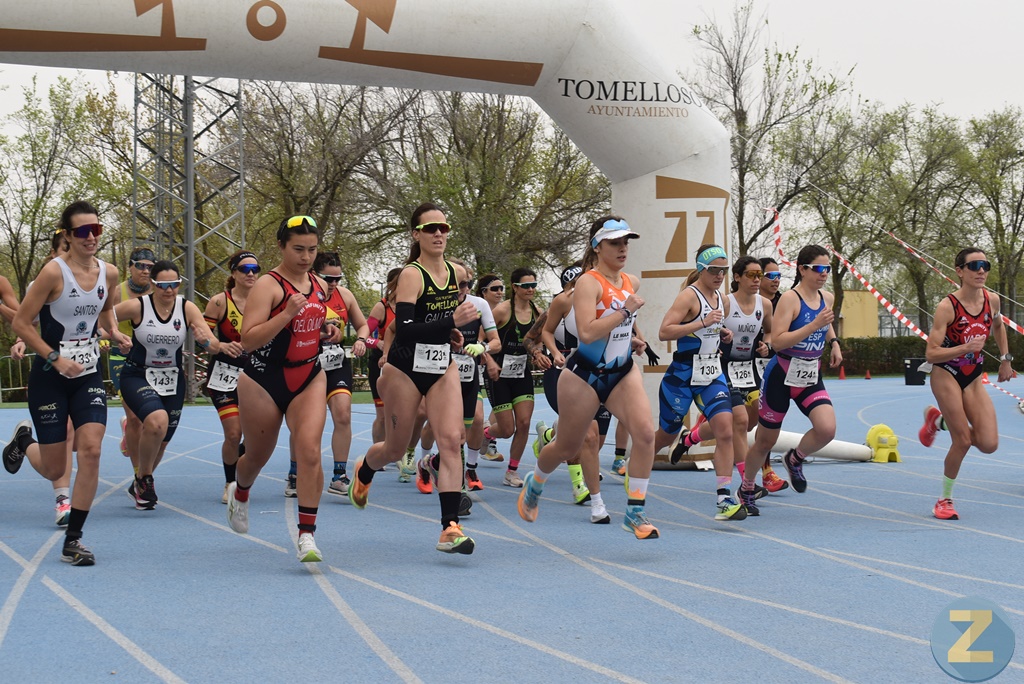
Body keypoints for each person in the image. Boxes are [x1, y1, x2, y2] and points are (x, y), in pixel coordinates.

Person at [348, 203, 480, 554]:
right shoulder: (411, 274)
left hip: (441, 366)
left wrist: (450, 335)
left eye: (443, 227)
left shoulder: (455, 272)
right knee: (395, 448)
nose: (439, 233)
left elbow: (437, 324)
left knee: (452, 441)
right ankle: (365, 468)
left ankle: (449, 527)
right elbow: (404, 330)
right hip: (405, 369)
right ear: (416, 234)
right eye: (431, 228)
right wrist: (450, 322)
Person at [5, 201, 130, 565]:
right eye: (82, 231)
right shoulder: (52, 273)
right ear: (68, 235)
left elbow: (105, 308)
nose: (91, 237)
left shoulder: (109, 272)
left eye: (96, 230)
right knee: (55, 468)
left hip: (88, 374)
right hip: (50, 377)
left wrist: (114, 332)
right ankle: (25, 441)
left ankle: (73, 539)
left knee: (91, 451)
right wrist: (54, 357)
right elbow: (21, 324)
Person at [518, 216, 659, 539]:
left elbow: (618, 329)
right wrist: (624, 312)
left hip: (621, 372)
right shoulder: (588, 283)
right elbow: (586, 331)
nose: (623, 248)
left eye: (626, 242)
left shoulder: (631, 282)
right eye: (615, 242)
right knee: (568, 446)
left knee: (645, 435)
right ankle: (535, 481)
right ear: (597, 246)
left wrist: (632, 339)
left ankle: (635, 512)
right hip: (584, 375)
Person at [225, 215, 341, 563]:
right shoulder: (268, 286)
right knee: (257, 456)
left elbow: (316, 322)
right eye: (298, 249)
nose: (306, 257)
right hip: (263, 378)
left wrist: (329, 329)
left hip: (308, 375)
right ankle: (240, 490)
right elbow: (248, 339)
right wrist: (286, 315)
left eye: (312, 250)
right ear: (281, 246)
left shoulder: (320, 285)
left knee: (308, 451)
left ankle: (307, 534)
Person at [667, 256, 780, 502]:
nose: (757, 280)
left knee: (751, 422)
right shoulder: (725, 302)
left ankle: (691, 437)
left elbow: (770, 331)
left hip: (749, 370)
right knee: (737, 423)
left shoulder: (766, 305)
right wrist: (716, 339)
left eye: (760, 275)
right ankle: (747, 483)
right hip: (724, 367)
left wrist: (766, 346)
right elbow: (707, 326)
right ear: (737, 277)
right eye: (751, 275)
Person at [740, 245, 842, 512]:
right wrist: (813, 326)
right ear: (802, 269)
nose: (824, 274)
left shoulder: (826, 298)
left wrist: (834, 342)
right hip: (782, 375)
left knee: (827, 429)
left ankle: (795, 458)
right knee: (765, 441)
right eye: (819, 269)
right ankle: (747, 487)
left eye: (827, 269)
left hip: (809, 375)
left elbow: (827, 320)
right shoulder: (790, 300)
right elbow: (779, 342)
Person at [114, 260, 220, 510]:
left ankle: (141, 481)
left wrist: (216, 345)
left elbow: (211, 342)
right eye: (163, 285)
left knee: (162, 439)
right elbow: (103, 316)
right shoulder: (138, 306)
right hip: (137, 375)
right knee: (156, 421)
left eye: (174, 284)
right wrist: (115, 334)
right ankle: (145, 479)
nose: (169, 290)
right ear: (152, 284)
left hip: (172, 379)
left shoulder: (187, 308)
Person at [652, 244, 746, 521]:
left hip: (711, 372)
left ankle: (724, 498)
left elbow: (712, 329)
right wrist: (703, 322)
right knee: (665, 435)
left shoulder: (722, 298)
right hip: (682, 374)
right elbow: (664, 331)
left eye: (724, 270)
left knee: (725, 429)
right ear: (701, 270)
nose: (720, 275)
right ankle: (636, 467)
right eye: (714, 270)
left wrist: (723, 333)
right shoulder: (688, 296)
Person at [918, 248, 1011, 520]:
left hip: (973, 376)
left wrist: (1005, 359)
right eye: (974, 266)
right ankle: (944, 500)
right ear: (959, 271)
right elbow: (931, 353)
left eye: (985, 265)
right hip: (946, 372)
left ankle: (937, 421)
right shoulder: (947, 306)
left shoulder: (992, 300)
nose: (981, 270)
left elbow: (998, 326)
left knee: (989, 443)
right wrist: (964, 348)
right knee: (964, 440)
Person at [3, 231, 75, 527]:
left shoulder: (95, 277)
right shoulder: (44, 281)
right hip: (51, 370)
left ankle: (24, 443)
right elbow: (26, 319)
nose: (72, 255)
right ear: (54, 253)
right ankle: (62, 498)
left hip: (82, 370)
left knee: (78, 440)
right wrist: (22, 339)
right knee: (62, 441)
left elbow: (101, 317)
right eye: (65, 250)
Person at [526, 262, 606, 515]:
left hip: (595, 373)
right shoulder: (559, 305)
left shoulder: (604, 303)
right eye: (573, 286)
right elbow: (530, 338)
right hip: (560, 373)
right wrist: (538, 353)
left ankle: (549, 438)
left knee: (595, 440)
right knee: (587, 433)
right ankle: (579, 486)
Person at [309, 251, 369, 498]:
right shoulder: (304, 295)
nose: (333, 284)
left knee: (343, 414)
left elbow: (363, 324)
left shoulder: (345, 296)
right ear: (314, 274)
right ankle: (294, 474)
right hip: (307, 362)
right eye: (328, 279)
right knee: (307, 423)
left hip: (335, 361)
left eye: (338, 279)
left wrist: (362, 339)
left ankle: (339, 475)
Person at [203, 250, 259, 503]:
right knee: (233, 433)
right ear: (234, 273)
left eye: (255, 269)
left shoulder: (266, 300)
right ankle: (230, 482)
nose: (250, 274)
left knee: (256, 435)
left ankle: (241, 471)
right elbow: (202, 333)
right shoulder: (219, 302)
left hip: (255, 375)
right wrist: (220, 346)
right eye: (245, 269)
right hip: (224, 375)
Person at [482, 267, 543, 488]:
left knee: (525, 423)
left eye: (534, 285)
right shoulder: (502, 311)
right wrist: (488, 360)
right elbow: (482, 339)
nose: (531, 290)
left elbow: (537, 338)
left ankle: (512, 471)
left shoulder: (538, 312)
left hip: (521, 372)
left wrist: (538, 354)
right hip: (498, 374)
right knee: (506, 429)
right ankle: (485, 434)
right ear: (515, 287)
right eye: (526, 286)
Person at [110, 247, 155, 469]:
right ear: (130, 267)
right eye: (140, 266)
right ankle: (139, 475)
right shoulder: (118, 292)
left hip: (151, 359)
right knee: (136, 417)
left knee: (152, 420)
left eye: (150, 267)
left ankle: (130, 431)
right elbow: (101, 321)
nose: (145, 271)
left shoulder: (158, 291)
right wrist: (111, 337)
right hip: (122, 357)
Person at [474, 274, 507, 463]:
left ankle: (489, 440)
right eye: (495, 289)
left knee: (502, 405)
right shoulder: (478, 310)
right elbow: (478, 340)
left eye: (501, 288)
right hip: (482, 362)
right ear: (483, 292)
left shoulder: (507, 310)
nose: (500, 292)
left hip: (506, 365)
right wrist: (487, 358)